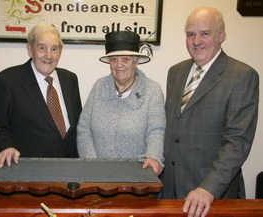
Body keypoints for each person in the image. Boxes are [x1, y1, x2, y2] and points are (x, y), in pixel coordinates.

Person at [161, 6, 259, 217]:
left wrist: (208, 189)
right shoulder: (176, 72)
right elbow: (171, 130)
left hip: (210, 197)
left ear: (221, 35)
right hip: (169, 192)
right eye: (190, 34)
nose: (196, 41)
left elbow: (237, 143)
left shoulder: (242, 76)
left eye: (205, 33)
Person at [0, 23, 82, 169]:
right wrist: (6, 147)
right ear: (30, 49)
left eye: (54, 49)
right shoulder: (9, 80)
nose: (48, 55)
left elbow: (77, 124)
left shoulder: (70, 79)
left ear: (60, 52)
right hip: (29, 169)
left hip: (69, 167)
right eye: (42, 48)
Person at [77, 31, 165, 176]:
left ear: (136, 62)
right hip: (97, 174)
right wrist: (92, 164)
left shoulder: (152, 90)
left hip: (136, 175)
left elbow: (156, 131)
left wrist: (153, 156)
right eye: (113, 59)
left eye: (125, 59)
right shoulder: (99, 86)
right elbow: (83, 129)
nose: (119, 65)